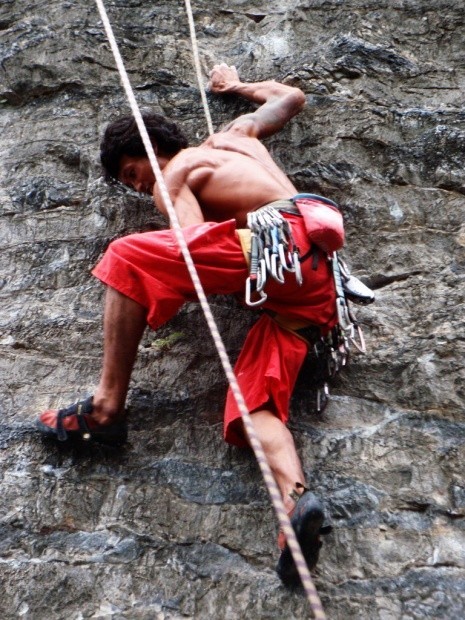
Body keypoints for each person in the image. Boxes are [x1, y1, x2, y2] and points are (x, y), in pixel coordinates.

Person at [37, 64, 338, 586]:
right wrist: (234, 87)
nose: (138, 185)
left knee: (126, 256)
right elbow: (290, 97)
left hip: (275, 247)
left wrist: (159, 275)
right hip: (315, 278)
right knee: (252, 406)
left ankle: (106, 408)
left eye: (133, 173)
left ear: (151, 150)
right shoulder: (236, 137)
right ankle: (295, 504)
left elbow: (191, 244)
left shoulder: (174, 172)